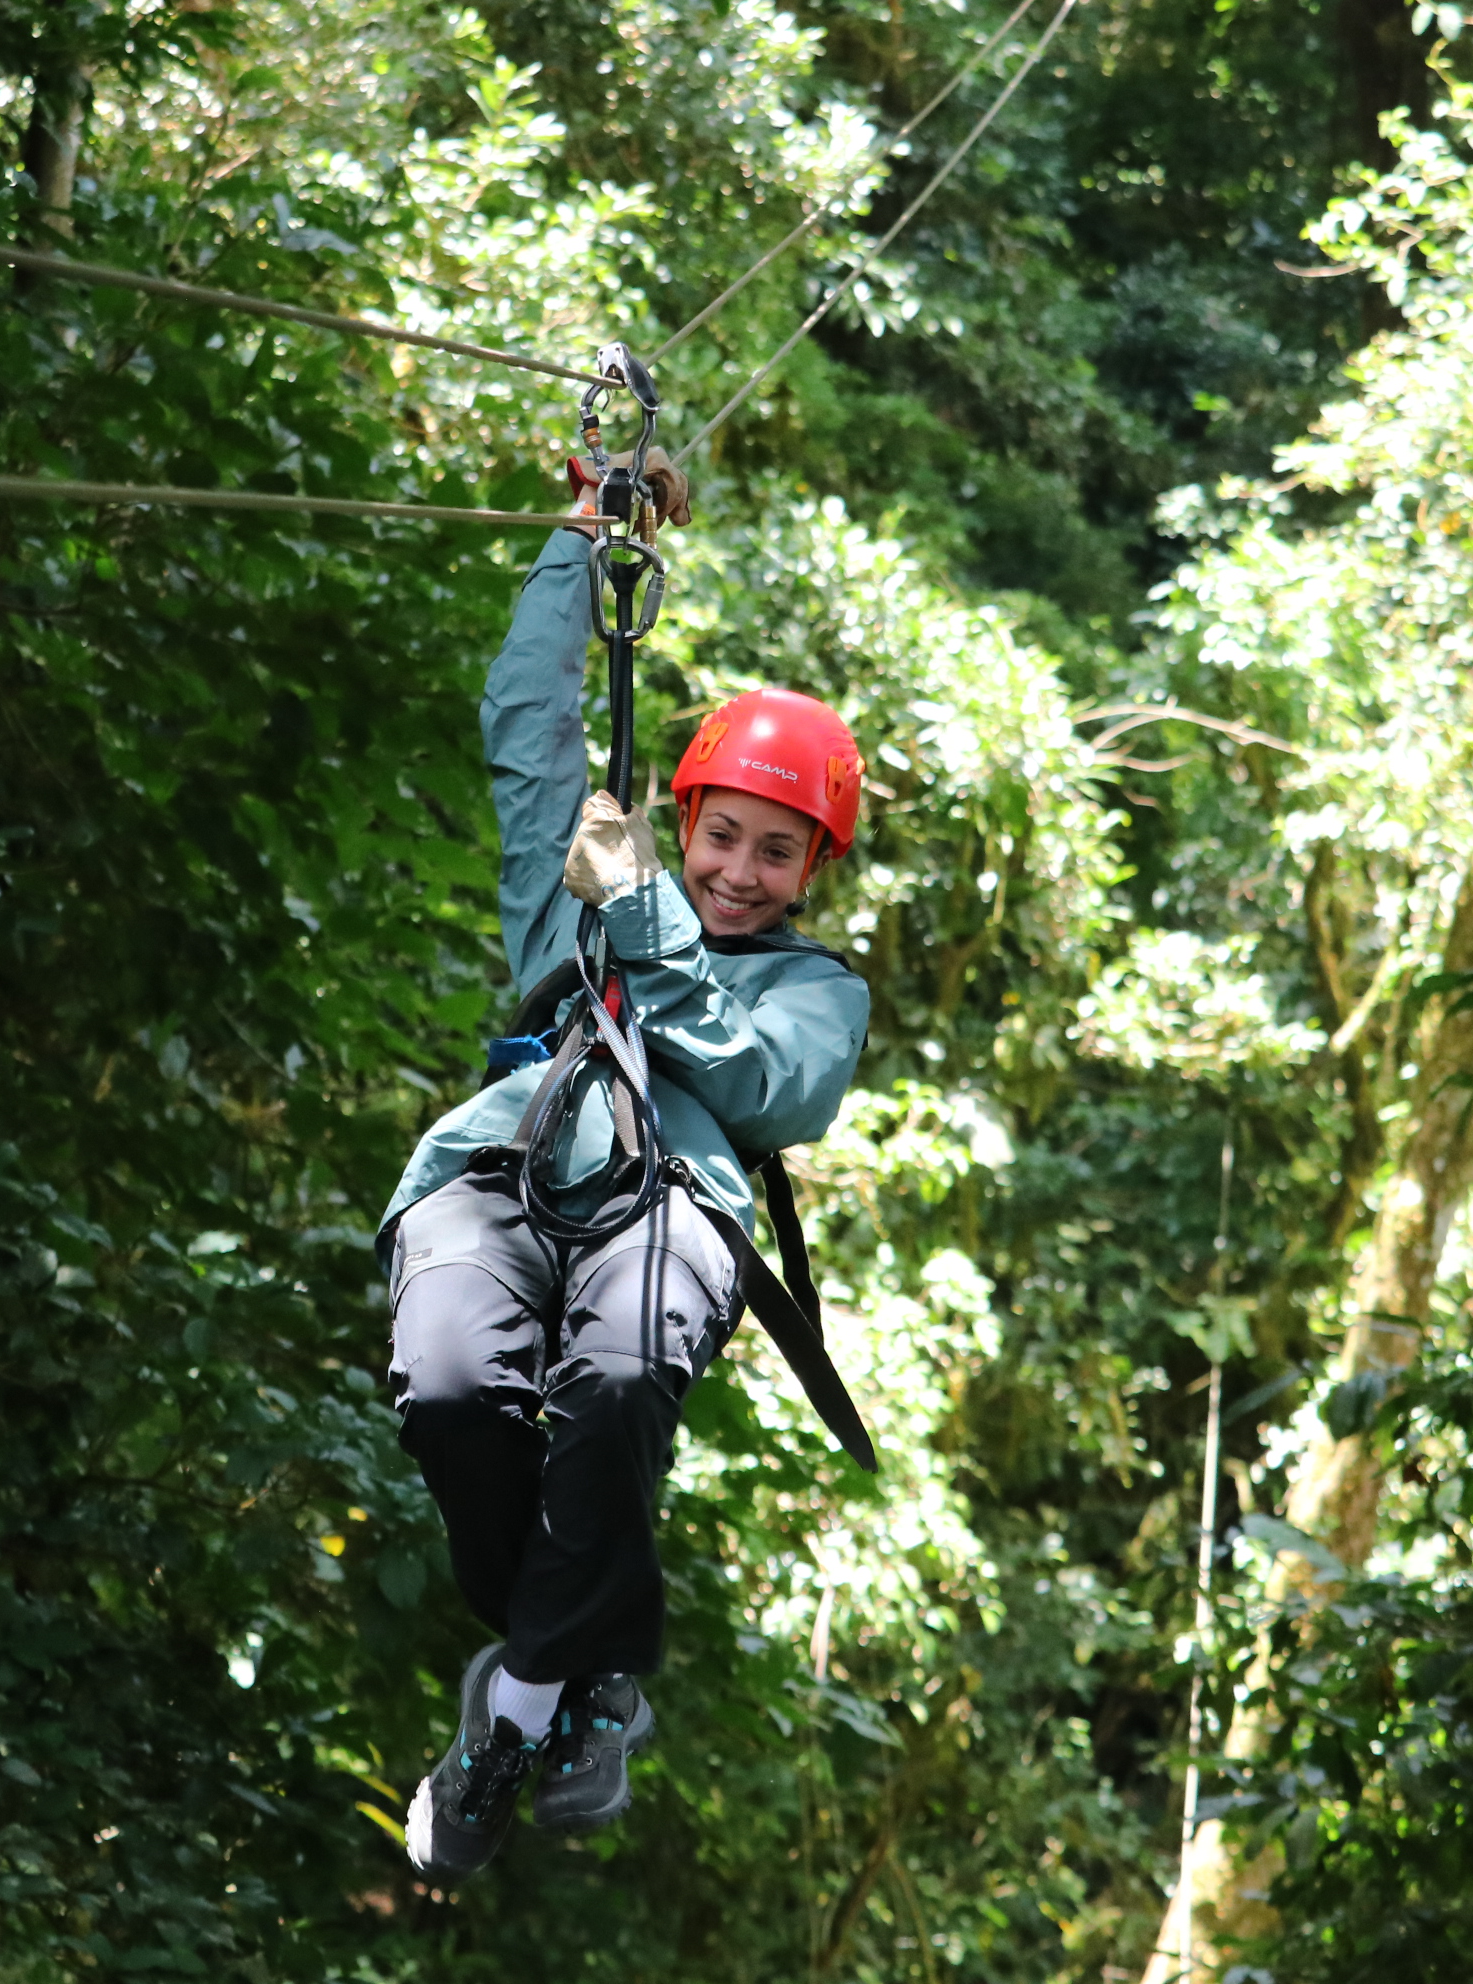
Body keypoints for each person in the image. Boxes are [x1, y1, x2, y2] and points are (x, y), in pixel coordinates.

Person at [380, 450, 871, 1881]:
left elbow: (771, 1088)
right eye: (722, 837)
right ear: (688, 812)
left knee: (614, 1384)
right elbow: (531, 720)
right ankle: (588, 1668)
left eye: (776, 853)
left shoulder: (811, 983)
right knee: (454, 1386)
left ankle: (515, 1708)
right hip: (501, 1171)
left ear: (810, 869)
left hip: (673, 1203)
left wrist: (651, 914)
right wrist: (581, 537)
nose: (739, 871)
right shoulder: (580, 894)